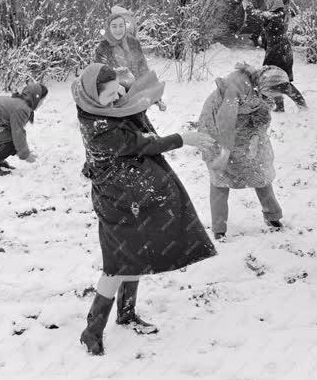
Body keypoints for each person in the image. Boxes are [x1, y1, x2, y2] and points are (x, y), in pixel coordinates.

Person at [72, 63, 217, 355]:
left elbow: (128, 95)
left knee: (133, 254)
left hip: (132, 195)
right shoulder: (99, 127)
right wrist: (183, 139)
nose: (116, 98)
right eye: (109, 95)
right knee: (115, 265)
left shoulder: (103, 105)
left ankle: (126, 314)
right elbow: (142, 144)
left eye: (116, 92)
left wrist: (147, 99)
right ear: (92, 95)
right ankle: (92, 329)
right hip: (116, 200)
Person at [198, 62, 288, 239]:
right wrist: (224, 153)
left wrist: (256, 137)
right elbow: (225, 122)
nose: (275, 98)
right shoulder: (235, 88)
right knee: (221, 175)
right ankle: (219, 228)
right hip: (217, 124)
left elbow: (263, 116)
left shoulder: (263, 84)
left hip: (243, 122)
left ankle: (272, 216)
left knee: (259, 167)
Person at [248, 0, 307, 112]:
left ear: (273, 2)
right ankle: (280, 106)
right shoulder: (276, 14)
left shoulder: (278, 15)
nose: (266, 4)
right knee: (273, 79)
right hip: (278, 50)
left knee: (280, 80)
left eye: (268, 2)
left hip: (280, 53)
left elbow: (262, 16)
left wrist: (249, 6)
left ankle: (302, 105)